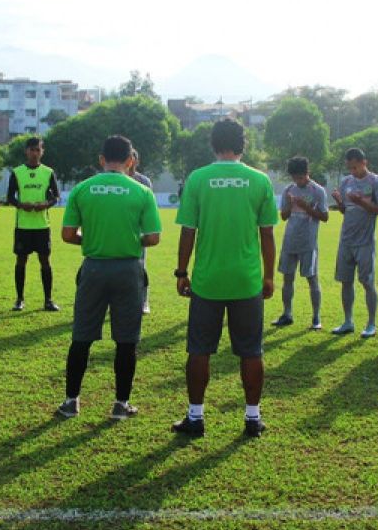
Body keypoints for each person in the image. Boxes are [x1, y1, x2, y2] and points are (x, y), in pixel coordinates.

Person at [172, 118, 278, 439]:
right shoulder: (259, 180)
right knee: (251, 351)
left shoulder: (199, 178)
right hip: (247, 281)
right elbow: (268, 235)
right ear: (242, 145)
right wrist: (269, 276)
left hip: (207, 280)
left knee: (200, 350)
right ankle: (252, 418)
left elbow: (188, 231)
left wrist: (181, 271)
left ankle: (196, 417)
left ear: (213, 144)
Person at [56, 135, 162, 419]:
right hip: (128, 270)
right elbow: (152, 238)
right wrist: (126, 239)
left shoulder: (82, 189)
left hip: (93, 268)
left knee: (81, 338)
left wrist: (93, 240)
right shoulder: (142, 192)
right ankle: (120, 405)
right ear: (130, 161)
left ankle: (71, 402)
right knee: (126, 341)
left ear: (101, 160)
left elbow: (67, 235)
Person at [329, 147, 378, 337]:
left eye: (355, 167)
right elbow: (347, 210)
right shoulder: (346, 182)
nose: (352, 172)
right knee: (346, 282)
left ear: (364, 163)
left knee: (367, 282)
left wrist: (361, 201)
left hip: (365, 241)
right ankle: (348, 321)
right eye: (350, 168)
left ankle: (371, 324)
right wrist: (339, 202)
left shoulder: (377, 182)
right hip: (346, 240)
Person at [272, 156, 328, 331]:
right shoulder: (289, 189)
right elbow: (283, 216)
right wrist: (289, 205)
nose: (298, 181)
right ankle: (287, 314)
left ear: (307, 173)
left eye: (300, 177)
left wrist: (306, 206)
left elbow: (325, 217)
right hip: (290, 241)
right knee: (287, 278)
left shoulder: (318, 191)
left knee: (312, 279)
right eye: (295, 177)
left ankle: (316, 318)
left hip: (308, 242)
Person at [7, 136, 61, 311]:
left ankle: (48, 300)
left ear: (42, 152)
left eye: (38, 150)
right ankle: (19, 299)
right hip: (23, 226)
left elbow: (56, 196)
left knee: (45, 261)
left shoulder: (48, 172)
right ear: (26, 151)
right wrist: (22, 205)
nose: (34, 153)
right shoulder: (17, 172)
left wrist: (45, 204)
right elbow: (10, 198)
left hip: (42, 226)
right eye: (31, 150)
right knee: (21, 260)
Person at [125, 148, 154, 314]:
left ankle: (144, 301)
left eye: (133, 157)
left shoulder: (144, 181)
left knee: (140, 266)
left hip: (139, 232)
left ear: (136, 161)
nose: (131, 160)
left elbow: (149, 208)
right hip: (120, 230)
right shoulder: (117, 180)